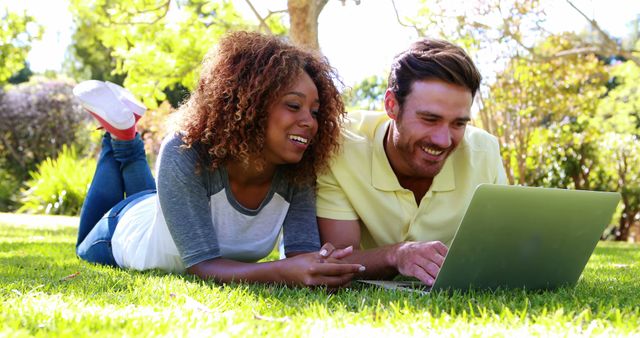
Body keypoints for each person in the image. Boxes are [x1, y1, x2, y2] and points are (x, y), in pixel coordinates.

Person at [75, 31, 365, 287]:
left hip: (161, 209)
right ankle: (123, 137)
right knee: (81, 246)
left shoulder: (298, 171)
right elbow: (202, 266)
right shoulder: (184, 152)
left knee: (154, 204)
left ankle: (126, 134)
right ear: (251, 103)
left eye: (314, 112)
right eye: (293, 105)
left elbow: (302, 255)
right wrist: (281, 271)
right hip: (122, 228)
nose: (310, 123)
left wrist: (322, 265)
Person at [316, 37, 507, 286]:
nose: (443, 140)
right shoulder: (340, 146)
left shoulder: (485, 152)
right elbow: (339, 262)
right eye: (430, 119)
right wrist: (396, 255)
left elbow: (503, 250)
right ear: (391, 105)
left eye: (458, 123)